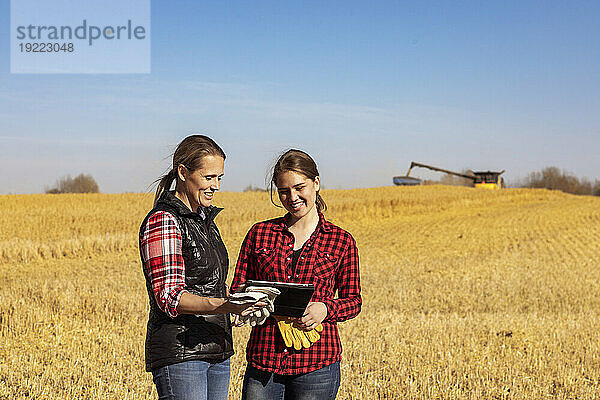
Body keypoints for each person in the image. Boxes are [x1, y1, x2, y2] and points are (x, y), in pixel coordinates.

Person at [139, 135, 264, 400]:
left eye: (219, 177)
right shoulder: (164, 220)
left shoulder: (204, 219)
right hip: (182, 352)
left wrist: (241, 302)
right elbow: (170, 297)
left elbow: (210, 283)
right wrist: (223, 305)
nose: (215, 186)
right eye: (209, 177)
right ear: (183, 172)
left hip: (217, 347)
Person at [231, 149, 362, 400]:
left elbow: (353, 301)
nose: (292, 197)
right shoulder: (260, 234)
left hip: (317, 363)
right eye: (283, 191)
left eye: (299, 187)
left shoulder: (341, 241)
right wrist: (244, 306)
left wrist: (324, 309)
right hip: (264, 360)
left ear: (316, 183)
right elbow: (239, 287)